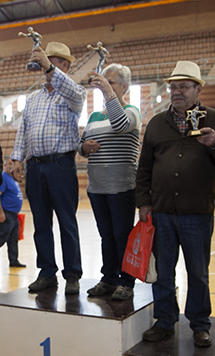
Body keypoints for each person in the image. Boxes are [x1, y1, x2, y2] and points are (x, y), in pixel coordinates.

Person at [136, 61, 215, 347]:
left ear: (198, 89)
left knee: (198, 272)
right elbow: (144, 168)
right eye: (173, 87)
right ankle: (165, 321)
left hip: (197, 214)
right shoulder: (156, 123)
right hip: (162, 212)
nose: (176, 92)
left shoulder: (214, 119)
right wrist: (143, 201)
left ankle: (200, 324)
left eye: (183, 87)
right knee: (163, 271)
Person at [10, 42, 86, 295]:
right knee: (41, 223)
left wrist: (48, 65)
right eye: (45, 61)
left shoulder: (74, 94)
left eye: (52, 62)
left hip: (61, 165)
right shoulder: (33, 99)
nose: (45, 67)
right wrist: (17, 158)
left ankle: (72, 274)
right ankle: (47, 272)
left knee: (67, 222)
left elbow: (75, 93)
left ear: (64, 66)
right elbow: (24, 130)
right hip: (36, 166)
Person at [79, 63, 141, 301]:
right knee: (106, 235)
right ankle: (108, 278)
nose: (106, 85)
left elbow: (120, 124)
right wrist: (83, 147)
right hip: (97, 187)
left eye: (112, 82)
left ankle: (126, 282)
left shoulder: (132, 112)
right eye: (105, 82)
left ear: (124, 86)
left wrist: (107, 93)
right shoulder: (94, 116)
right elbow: (81, 145)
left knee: (122, 234)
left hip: (122, 187)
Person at [0, 158, 26, 268]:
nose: (10, 167)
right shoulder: (4, 178)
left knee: (13, 238)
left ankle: (13, 260)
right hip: (6, 213)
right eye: (8, 164)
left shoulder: (12, 178)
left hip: (13, 214)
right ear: (5, 165)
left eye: (12, 164)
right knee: (1, 238)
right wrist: (0, 212)